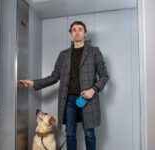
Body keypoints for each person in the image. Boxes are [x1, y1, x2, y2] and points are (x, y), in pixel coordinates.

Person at [19, 21, 109, 150]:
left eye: (80, 29)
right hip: (68, 100)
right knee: (70, 133)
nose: (77, 32)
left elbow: (104, 75)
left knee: (89, 134)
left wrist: (93, 90)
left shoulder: (94, 52)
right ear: (71, 33)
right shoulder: (63, 55)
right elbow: (54, 77)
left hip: (88, 99)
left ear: (85, 33)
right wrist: (34, 82)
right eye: (74, 30)